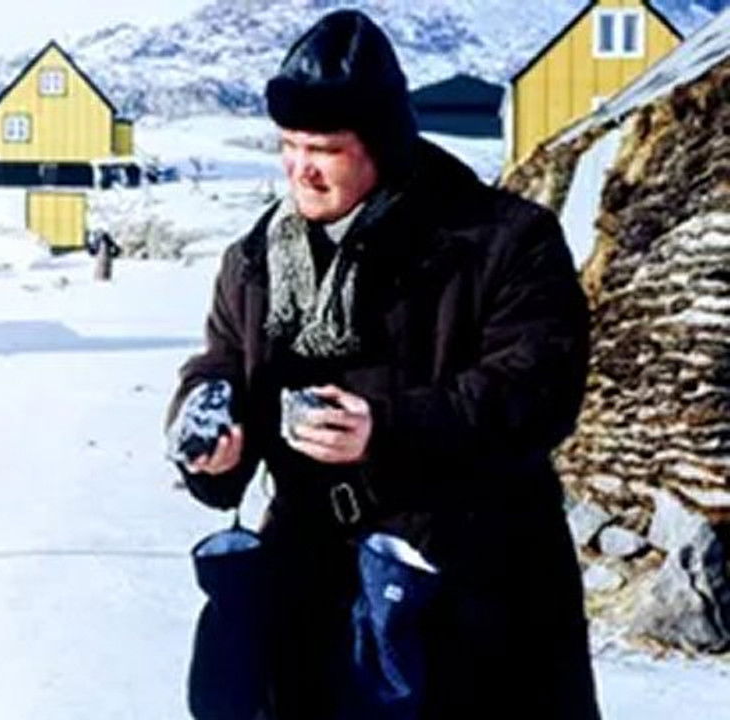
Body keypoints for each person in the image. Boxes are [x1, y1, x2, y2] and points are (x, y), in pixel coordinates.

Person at [167, 10, 600, 719]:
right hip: (312, 584)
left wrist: (388, 427)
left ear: (384, 144)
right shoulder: (255, 261)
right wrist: (209, 436)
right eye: (288, 145)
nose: (300, 169)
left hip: (472, 590)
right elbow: (222, 367)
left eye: (325, 149)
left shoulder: (501, 240)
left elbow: (538, 389)